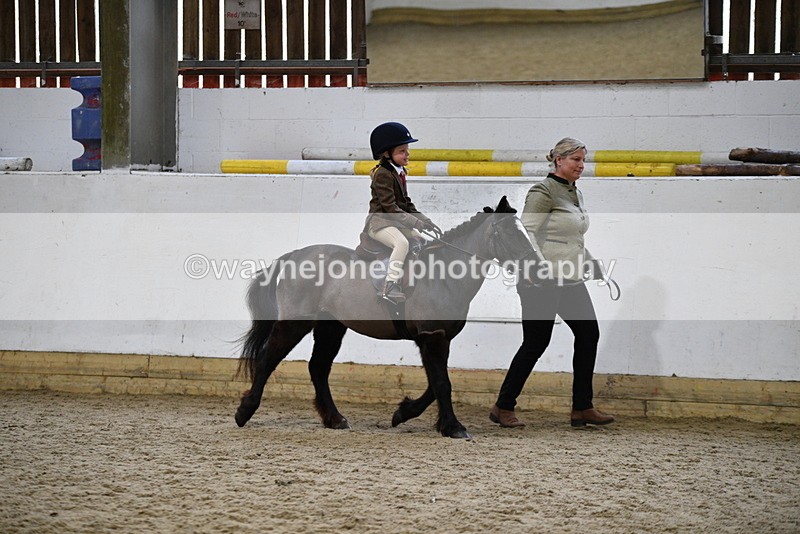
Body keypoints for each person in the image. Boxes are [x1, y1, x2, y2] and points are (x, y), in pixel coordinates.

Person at [489, 137, 615, 428]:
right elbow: (527, 233)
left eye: (584, 160)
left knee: (588, 335)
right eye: (576, 160)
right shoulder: (542, 192)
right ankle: (503, 406)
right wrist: (538, 269)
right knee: (536, 343)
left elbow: (574, 237)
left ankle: (582, 407)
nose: (582, 166)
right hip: (541, 280)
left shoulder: (574, 193)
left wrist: (591, 261)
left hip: (570, 278)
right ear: (559, 160)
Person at [364, 122, 442, 303]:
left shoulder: (399, 171)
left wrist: (426, 221)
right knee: (402, 244)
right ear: (387, 154)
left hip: (395, 222)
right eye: (402, 151)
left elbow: (406, 203)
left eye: (407, 150)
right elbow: (390, 208)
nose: (407, 154)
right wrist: (415, 223)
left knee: (420, 240)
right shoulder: (383, 173)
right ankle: (389, 285)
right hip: (380, 224)